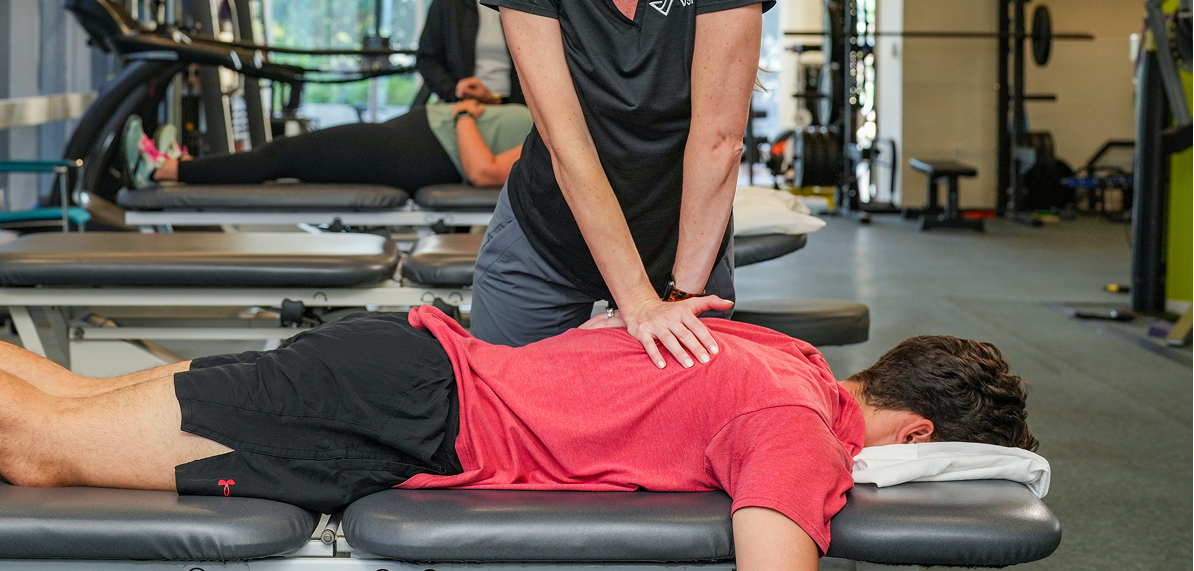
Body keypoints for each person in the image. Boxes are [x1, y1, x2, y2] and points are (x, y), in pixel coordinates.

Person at [0, 311, 1037, 571]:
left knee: (62, 396)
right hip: (387, 414)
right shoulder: (797, 423)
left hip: (398, 369)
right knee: (42, 445)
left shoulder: (784, 352)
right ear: (914, 431)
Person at [470, 0, 775, 366]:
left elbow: (719, 139)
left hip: (684, 243)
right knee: (497, 422)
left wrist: (679, 297)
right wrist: (636, 302)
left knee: (677, 445)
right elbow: (567, 143)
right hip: (546, 238)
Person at [121, 99, 533, 192]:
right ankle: (180, 164)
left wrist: (463, 116)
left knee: (281, 156)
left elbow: (485, 172)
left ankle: (164, 170)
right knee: (283, 155)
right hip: (417, 137)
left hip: (421, 151)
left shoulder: (572, 133)